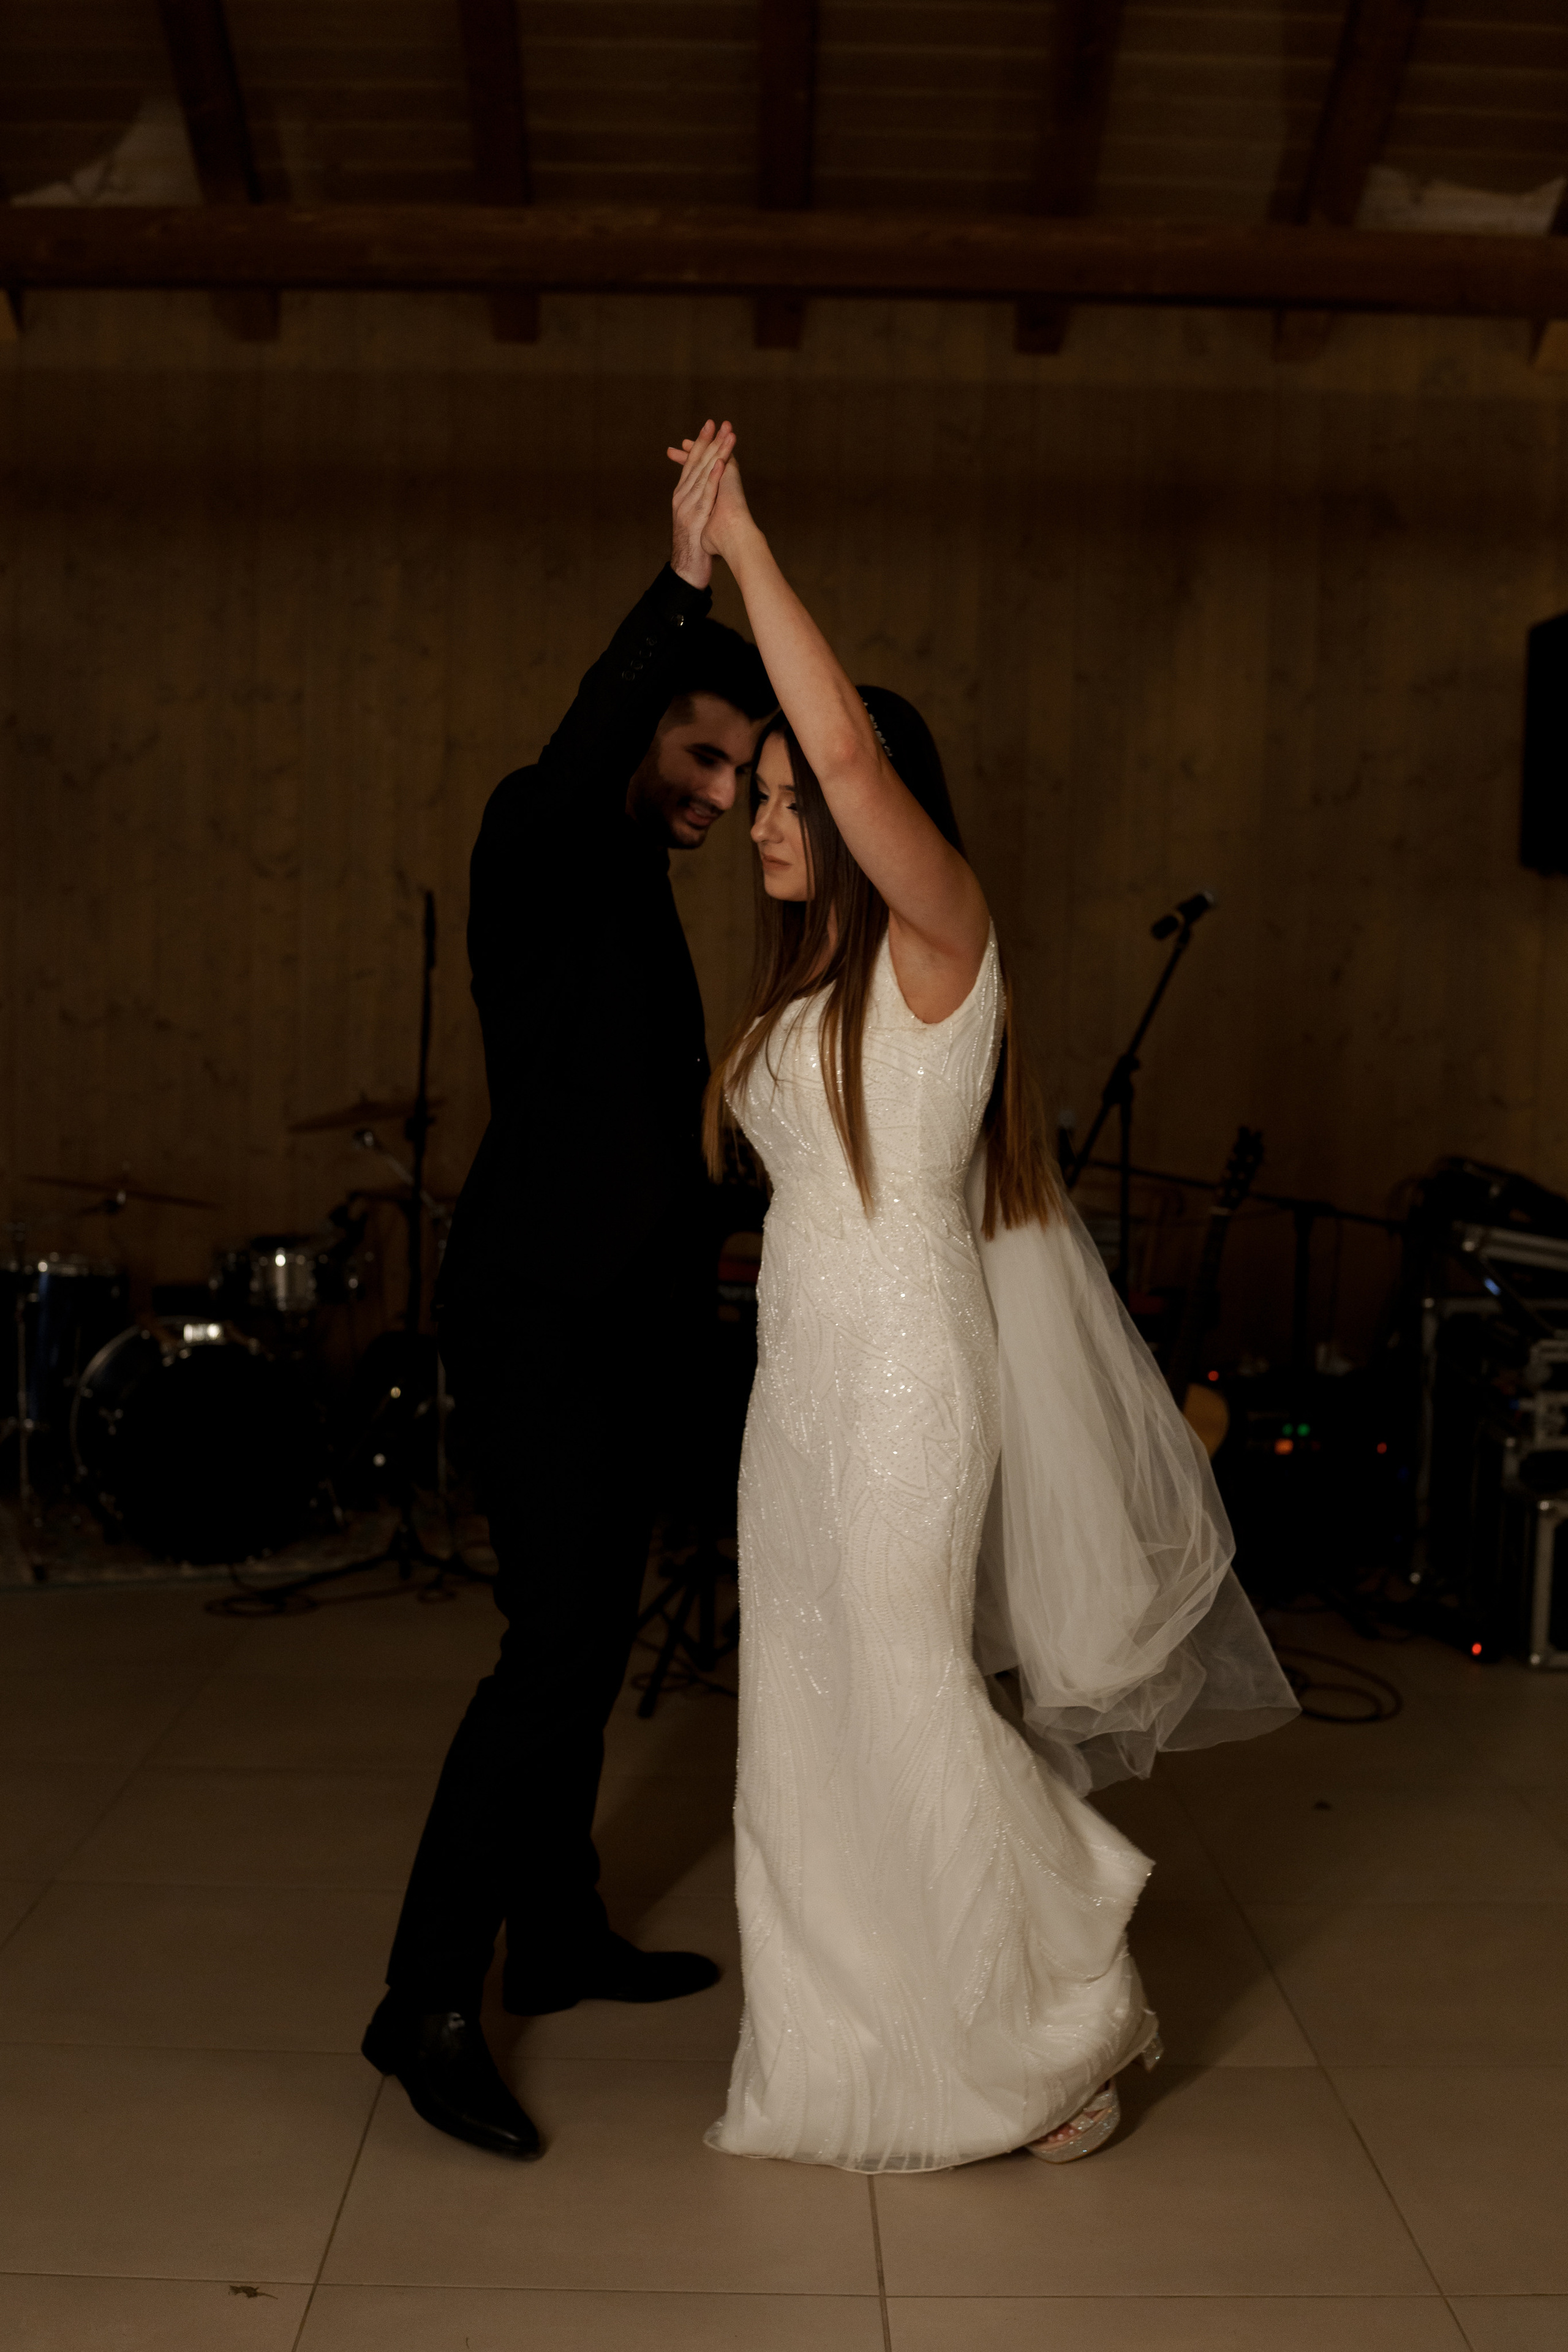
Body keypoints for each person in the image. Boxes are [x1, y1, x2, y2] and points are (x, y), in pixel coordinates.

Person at [674, 420, 1297, 2173]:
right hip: (794, 1399)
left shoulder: (944, 945)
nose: (774, 817)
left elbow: (859, 752)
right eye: (765, 800)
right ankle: (855, 2050)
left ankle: (1064, 2011)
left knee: (908, 1689)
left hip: (905, 1393)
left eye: (800, 796)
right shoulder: (797, 1002)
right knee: (803, 1716)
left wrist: (747, 552)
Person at [361, 428, 775, 2162]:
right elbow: (594, 735)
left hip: (627, 1319)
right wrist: (681, 582)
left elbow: (629, 1119)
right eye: (701, 751)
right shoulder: (539, 837)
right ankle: (426, 1999)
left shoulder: (645, 901)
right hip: (537, 1319)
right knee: (551, 1659)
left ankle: (562, 1930)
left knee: (590, 1640)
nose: (719, 789)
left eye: (743, 768)